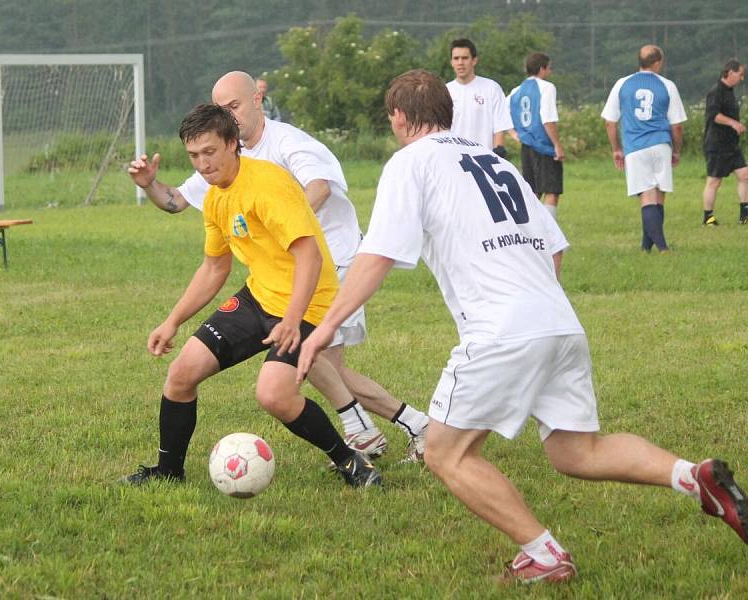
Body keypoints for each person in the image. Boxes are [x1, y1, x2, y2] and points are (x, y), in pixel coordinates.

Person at [297, 68, 748, 583]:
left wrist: (324, 328)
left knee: (446, 453)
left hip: (502, 331)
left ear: (398, 118)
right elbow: (554, 249)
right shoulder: (495, 160)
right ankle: (694, 478)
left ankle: (544, 554)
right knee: (577, 451)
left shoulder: (410, 162)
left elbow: (375, 255)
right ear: (448, 112)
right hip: (559, 322)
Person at [127, 73, 430, 463]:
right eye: (222, 110)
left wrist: (279, 224)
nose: (228, 116)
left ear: (257, 99)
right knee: (321, 363)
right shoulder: (219, 156)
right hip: (277, 278)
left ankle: (378, 430)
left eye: (233, 107)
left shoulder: (288, 143)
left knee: (315, 359)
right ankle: (393, 427)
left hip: (333, 261)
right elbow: (175, 202)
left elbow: (318, 187)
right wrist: (150, 186)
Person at [602, 45, 687, 253]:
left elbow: (610, 122)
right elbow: (677, 126)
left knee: (647, 197)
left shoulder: (622, 84)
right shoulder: (667, 85)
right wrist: (676, 150)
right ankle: (648, 247)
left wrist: (616, 149)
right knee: (658, 195)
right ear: (657, 62)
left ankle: (661, 247)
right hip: (660, 144)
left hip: (635, 147)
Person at [508, 52, 565, 220]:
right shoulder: (547, 87)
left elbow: (501, 114)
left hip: (527, 145)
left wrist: (514, 134)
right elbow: (548, 119)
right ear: (542, 69)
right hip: (543, 145)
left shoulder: (516, 91)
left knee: (532, 192)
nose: (550, 72)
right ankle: (548, 235)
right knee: (551, 190)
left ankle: (529, 233)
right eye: (549, 68)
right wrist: (557, 145)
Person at [446, 38, 513, 158]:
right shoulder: (445, 91)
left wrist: (498, 156)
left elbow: (499, 127)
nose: (460, 62)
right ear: (451, 62)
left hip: (484, 160)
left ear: (474, 60)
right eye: (456, 58)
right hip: (454, 160)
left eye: (465, 58)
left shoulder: (491, 88)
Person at [701, 59, 748, 226]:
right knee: (714, 181)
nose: (742, 78)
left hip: (731, 144)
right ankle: (708, 217)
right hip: (717, 144)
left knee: (745, 175)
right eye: (740, 74)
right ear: (730, 72)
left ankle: (745, 214)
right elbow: (714, 115)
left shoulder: (730, 91)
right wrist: (734, 123)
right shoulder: (716, 91)